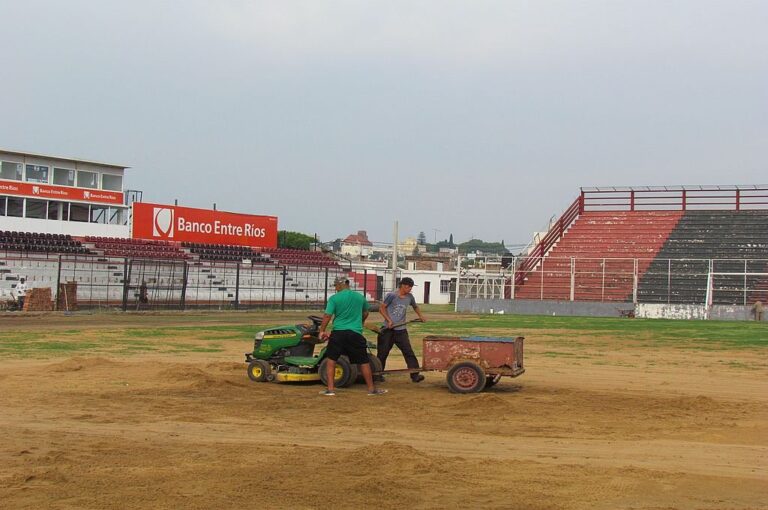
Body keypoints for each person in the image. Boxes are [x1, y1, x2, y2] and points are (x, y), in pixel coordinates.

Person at [318, 275, 387, 396]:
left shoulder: (334, 298)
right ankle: (371, 389)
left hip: (338, 332)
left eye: (336, 286)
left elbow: (327, 315)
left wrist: (322, 330)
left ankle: (330, 389)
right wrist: (359, 322)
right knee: (363, 361)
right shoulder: (360, 297)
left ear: (340, 284)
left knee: (331, 360)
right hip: (355, 333)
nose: (336, 288)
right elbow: (366, 312)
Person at [377, 277, 427, 383]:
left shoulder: (410, 297)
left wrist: (421, 316)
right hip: (387, 330)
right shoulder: (391, 296)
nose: (410, 289)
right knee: (382, 353)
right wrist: (389, 320)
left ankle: (415, 375)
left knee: (408, 352)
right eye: (409, 287)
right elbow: (381, 308)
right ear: (403, 286)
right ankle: (378, 374)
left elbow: (415, 307)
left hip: (401, 330)